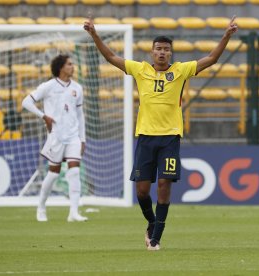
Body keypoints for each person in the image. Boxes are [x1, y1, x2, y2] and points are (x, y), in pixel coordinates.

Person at [84, 16, 238, 251]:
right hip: (145, 137)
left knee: (165, 184)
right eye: (159, 49)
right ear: (152, 52)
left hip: (170, 137)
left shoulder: (180, 71)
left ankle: (156, 237)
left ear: (171, 53)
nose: (163, 53)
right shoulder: (140, 69)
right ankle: (152, 223)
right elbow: (110, 57)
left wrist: (226, 35)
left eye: (166, 49)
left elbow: (212, 58)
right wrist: (94, 34)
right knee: (142, 191)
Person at [22, 54, 88, 223]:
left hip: (73, 136)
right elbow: (26, 102)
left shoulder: (77, 88)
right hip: (56, 137)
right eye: (69, 64)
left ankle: (73, 212)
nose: (73, 67)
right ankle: (41, 208)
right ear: (60, 68)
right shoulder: (48, 86)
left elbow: (80, 115)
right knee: (53, 174)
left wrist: (82, 139)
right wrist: (43, 116)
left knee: (74, 172)